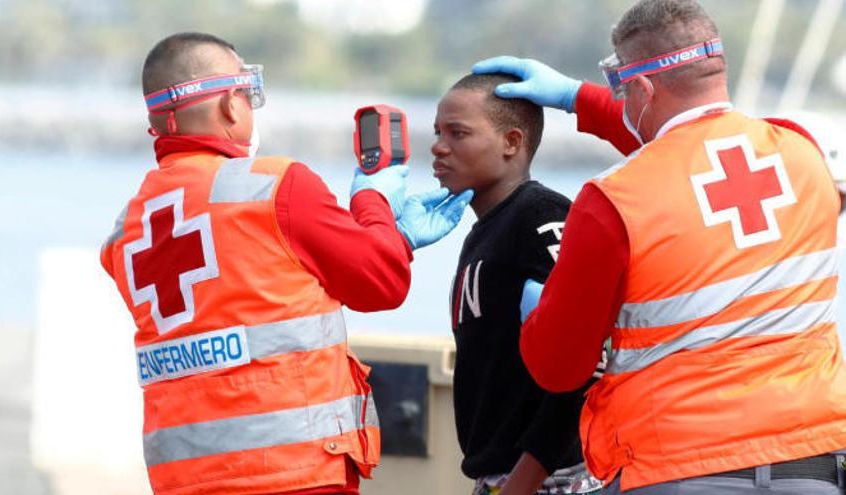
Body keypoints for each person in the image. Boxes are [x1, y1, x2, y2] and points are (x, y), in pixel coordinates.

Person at [472, 0, 846, 493]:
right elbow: (692, 157)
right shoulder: (803, 157)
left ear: (642, 90)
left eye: (624, 89)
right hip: (812, 465)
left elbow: (558, 370)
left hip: (676, 468)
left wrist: (540, 319)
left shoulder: (611, 202)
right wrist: (579, 98)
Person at [99, 32, 471, 495]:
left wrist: (394, 236)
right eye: (247, 96)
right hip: (295, 474)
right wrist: (375, 201)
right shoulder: (276, 187)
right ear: (232, 106)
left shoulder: (125, 233)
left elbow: (242, 296)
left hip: (184, 479)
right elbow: (381, 282)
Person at [413, 72, 602, 495]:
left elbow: (584, 363)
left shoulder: (539, 216)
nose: (438, 146)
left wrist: (524, 480)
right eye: (438, 132)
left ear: (511, 142)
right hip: (502, 478)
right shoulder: (486, 230)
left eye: (458, 133)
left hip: (551, 480)